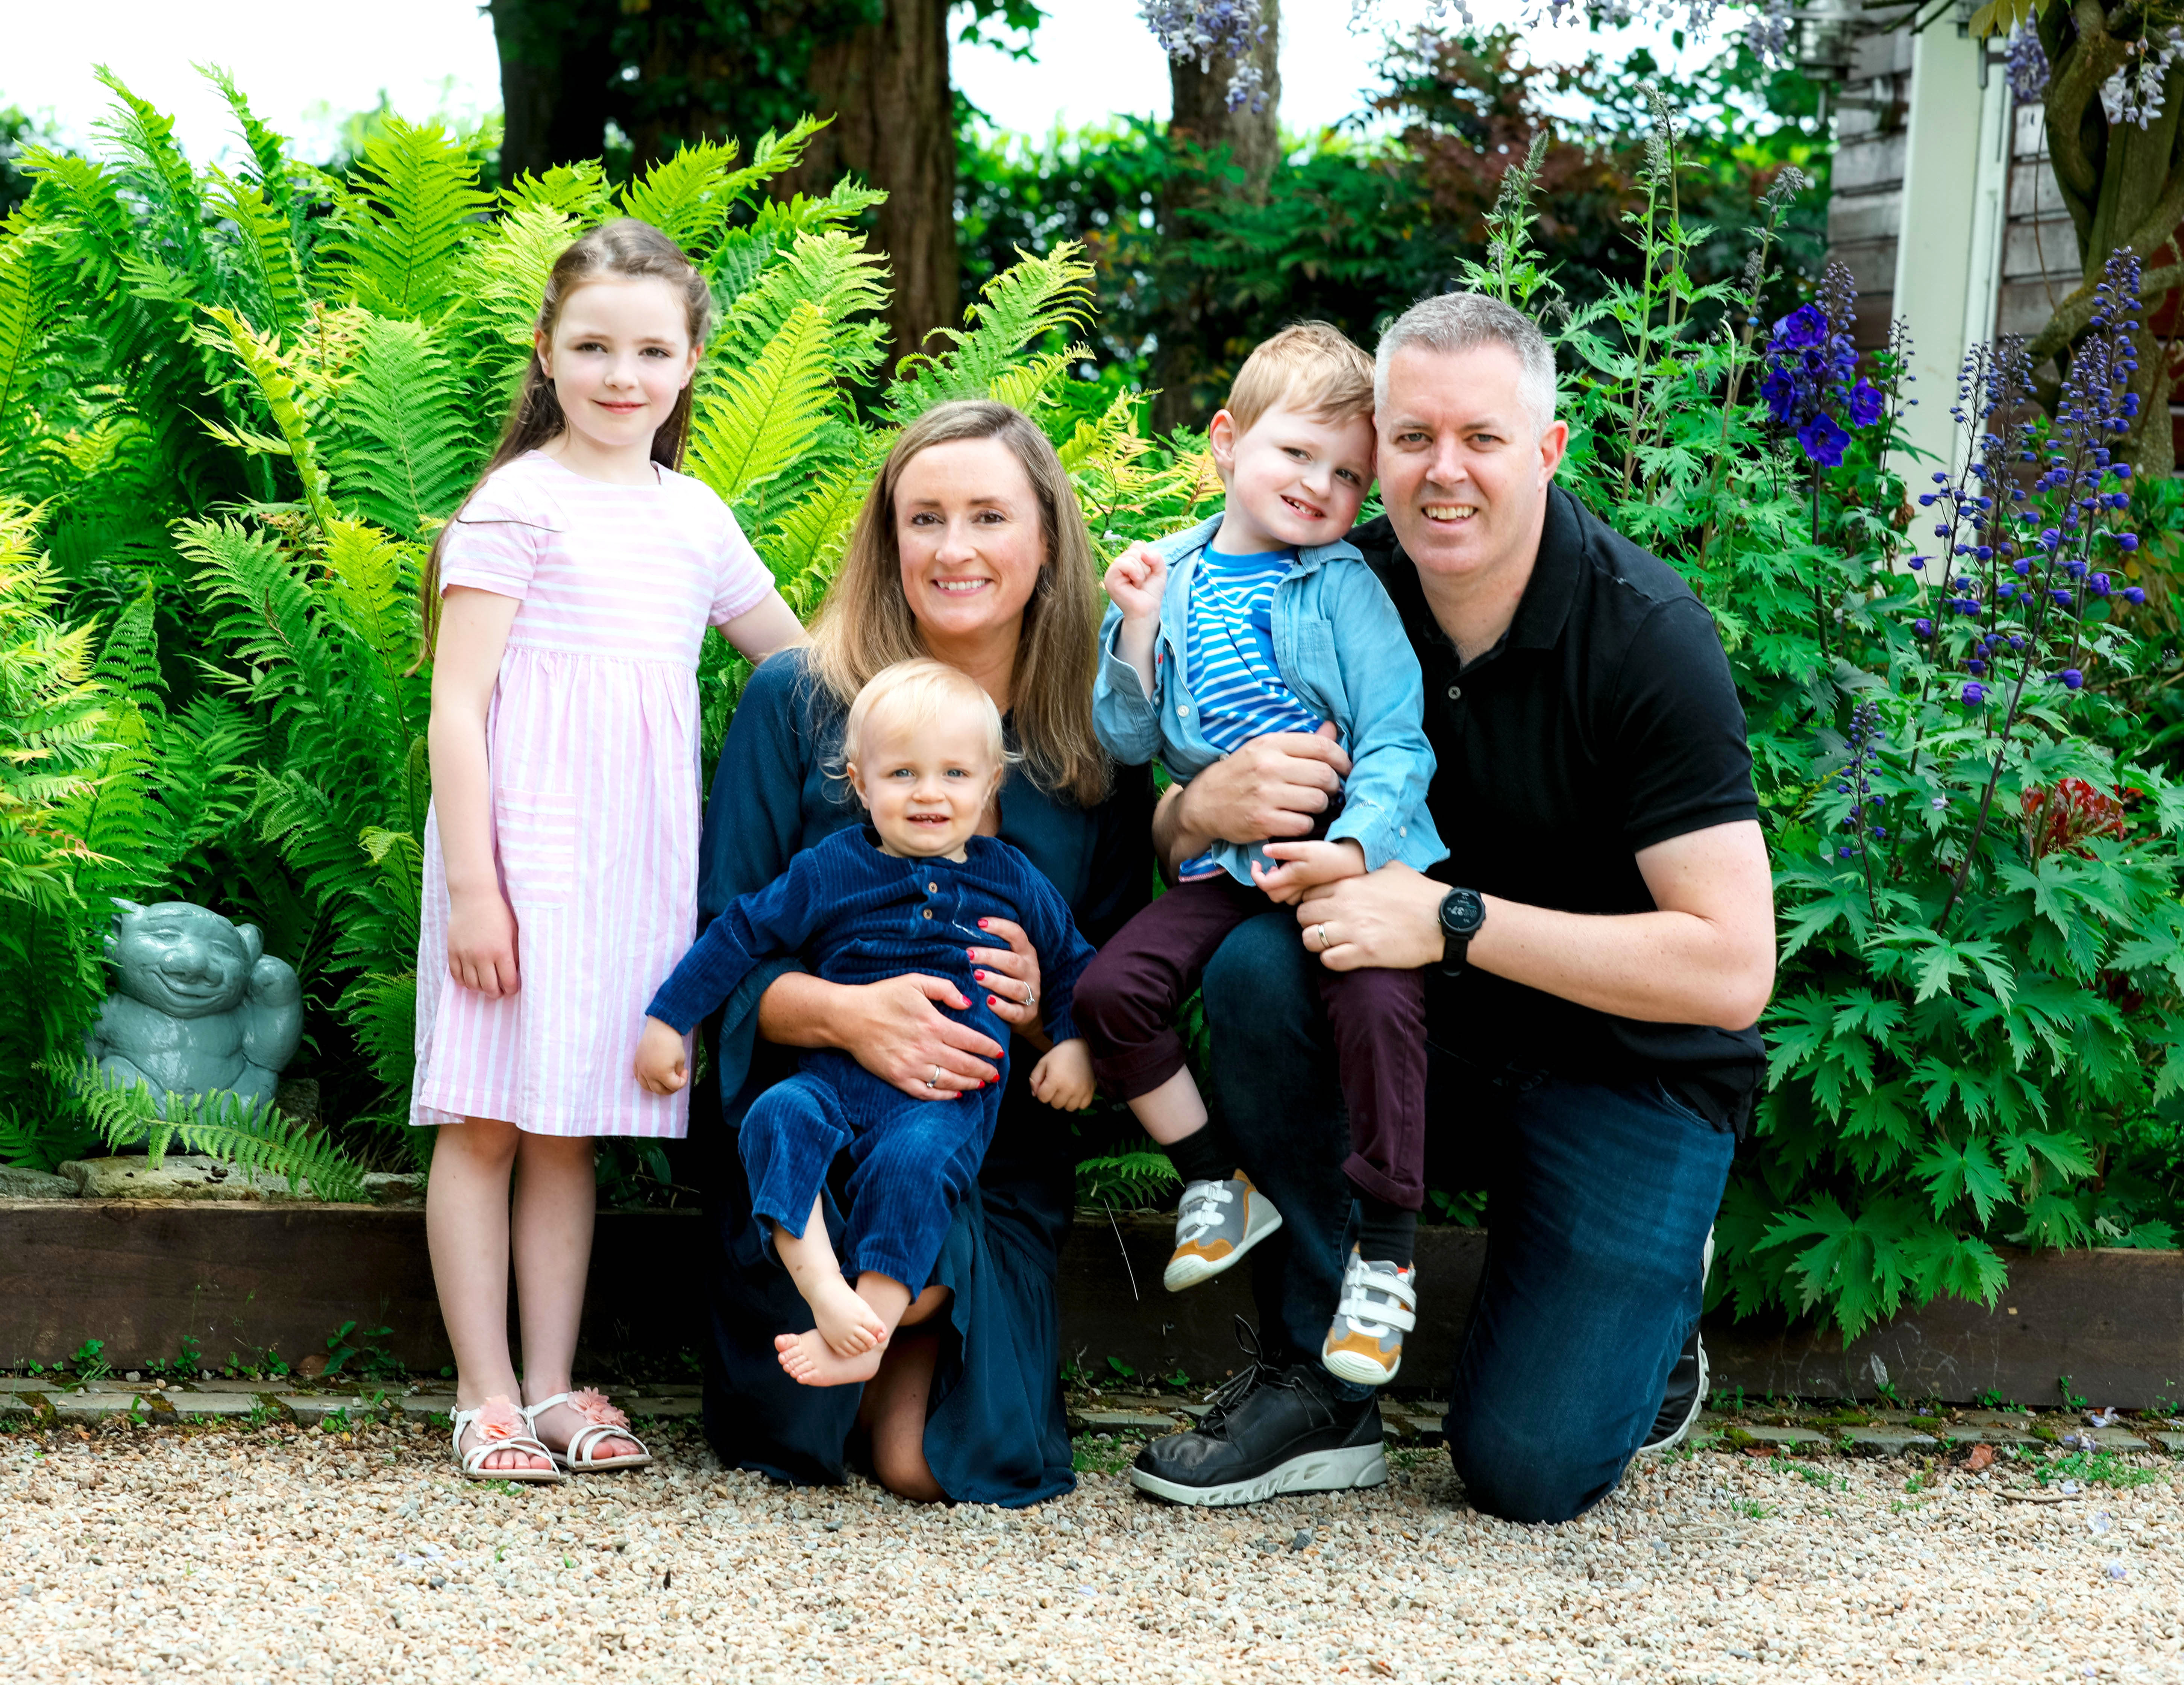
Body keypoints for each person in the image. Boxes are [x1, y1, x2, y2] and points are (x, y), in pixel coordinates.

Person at [1128, 292, 1776, 1520]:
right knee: (1258, 971)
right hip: (1423, 1033)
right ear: (1373, 447)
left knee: (1525, 1471)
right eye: (1410, 437)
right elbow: (1175, 832)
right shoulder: (1328, 587)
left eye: (1479, 437)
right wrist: (1198, 805)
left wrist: (1448, 918)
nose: (1441, 473)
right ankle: (1321, 1387)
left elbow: (1729, 968)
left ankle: (1649, 1310)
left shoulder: (1644, 641)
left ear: (1545, 449)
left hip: (1625, 1065)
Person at [693, 399, 1154, 1506]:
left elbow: (1114, 989)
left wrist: (1048, 1010)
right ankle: (846, 1328)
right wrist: (851, 1017)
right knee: (810, 1438)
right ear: (886, 539)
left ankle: (913, 1322)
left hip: (989, 1155)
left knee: (923, 1465)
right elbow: (725, 966)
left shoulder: (1094, 741)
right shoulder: (797, 705)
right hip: (813, 1143)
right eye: (925, 518)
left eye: (989, 516)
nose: (955, 550)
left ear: (1046, 540)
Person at [410, 219, 807, 1482]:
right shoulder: (516, 503)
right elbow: (455, 708)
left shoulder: (694, 516)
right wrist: (475, 890)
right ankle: (480, 1396)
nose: (618, 374)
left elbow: (795, 663)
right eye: (591, 346)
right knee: (482, 1120)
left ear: (692, 360)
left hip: (627, 870)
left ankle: (554, 1384)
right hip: (514, 864)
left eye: (648, 348)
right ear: (547, 352)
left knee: (568, 1129)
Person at [1075, 322, 1443, 1388]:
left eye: (1348, 477)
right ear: (1227, 444)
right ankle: (1214, 1185)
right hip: (1230, 864)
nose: (1321, 488)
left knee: (1379, 1010)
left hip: (1349, 858)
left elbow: (1396, 738)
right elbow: (1129, 743)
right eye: (1297, 455)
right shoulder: (1171, 577)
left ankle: (1388, 1257)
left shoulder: (1343, 587)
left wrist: (1357, 846)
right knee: (1112, 995)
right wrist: (1135, 628)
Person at [635, 660, 1097, 1387]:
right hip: (833, 1081)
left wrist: (1069, 1042)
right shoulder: (830, 869)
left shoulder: (1010, 876)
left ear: (990, 785)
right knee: (776, 1116)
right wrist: (670, 1019)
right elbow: (740, 932)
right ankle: (825, 1293)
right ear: (859, 783)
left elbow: (1073, 962)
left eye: (954, 775)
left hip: (946, 1097)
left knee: (913, 1166)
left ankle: (869, 1330)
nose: (929, 795)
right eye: (903, 774)